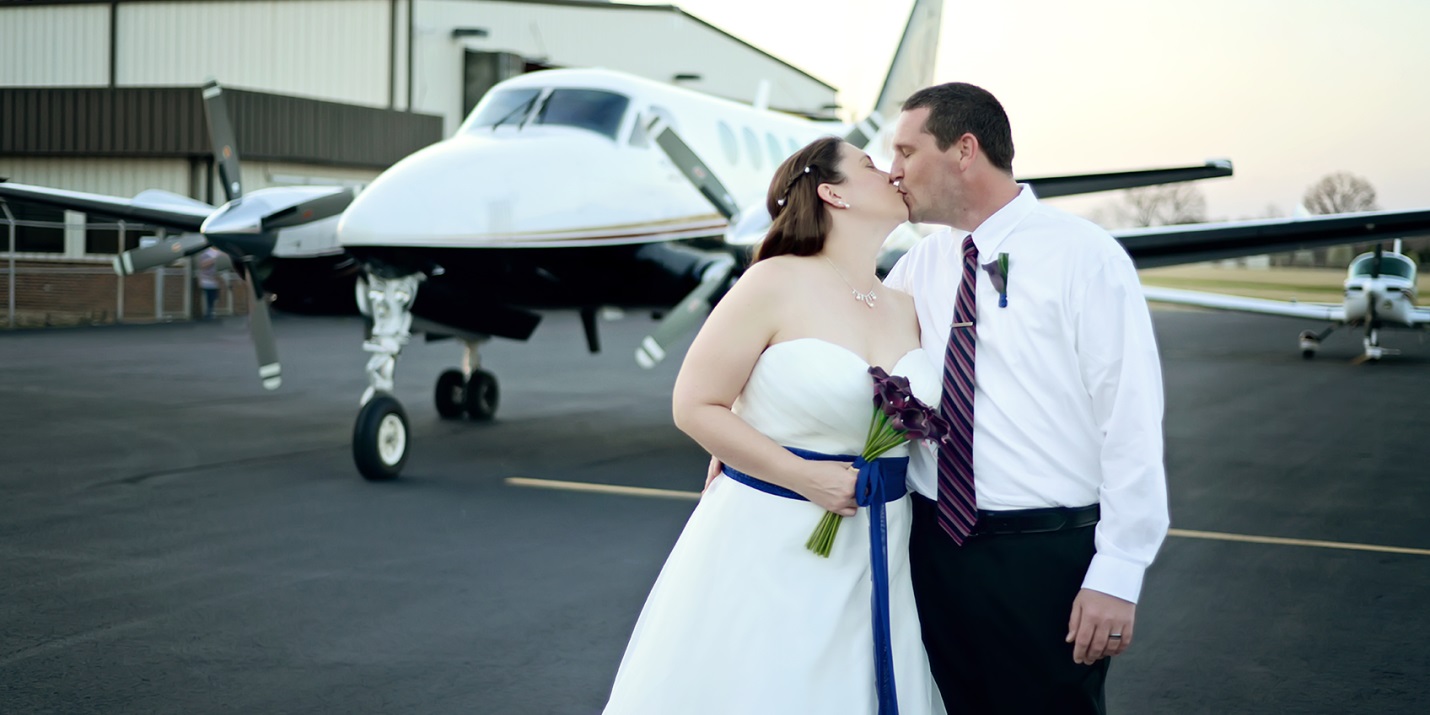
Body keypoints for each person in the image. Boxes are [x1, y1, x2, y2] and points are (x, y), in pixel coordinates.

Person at [602, 136, 946, 714]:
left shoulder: (906, 302)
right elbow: (695, 404)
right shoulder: (771, 282)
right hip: (775, 542)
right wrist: (802, 476)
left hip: (883, 547)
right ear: (832, 192)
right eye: (869, 164)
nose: (889, 172)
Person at [882, 82, 1170, 714]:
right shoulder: (916, 267)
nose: (892, 170)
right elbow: (849, 364)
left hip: (1043, 560)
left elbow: (1130, 420)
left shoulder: (1085, 257)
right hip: (930, 548)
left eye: (905, 150)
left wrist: (1119, 571)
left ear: (964, 149)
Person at [197, 246, 222, 320]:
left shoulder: (218, 254)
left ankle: (210, 312)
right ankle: (207, 314)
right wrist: (213, 260)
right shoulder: (206, 255)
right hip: (206, 280)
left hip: (212, 280)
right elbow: (202, 265)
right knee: (207, 297)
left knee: (213, 297)